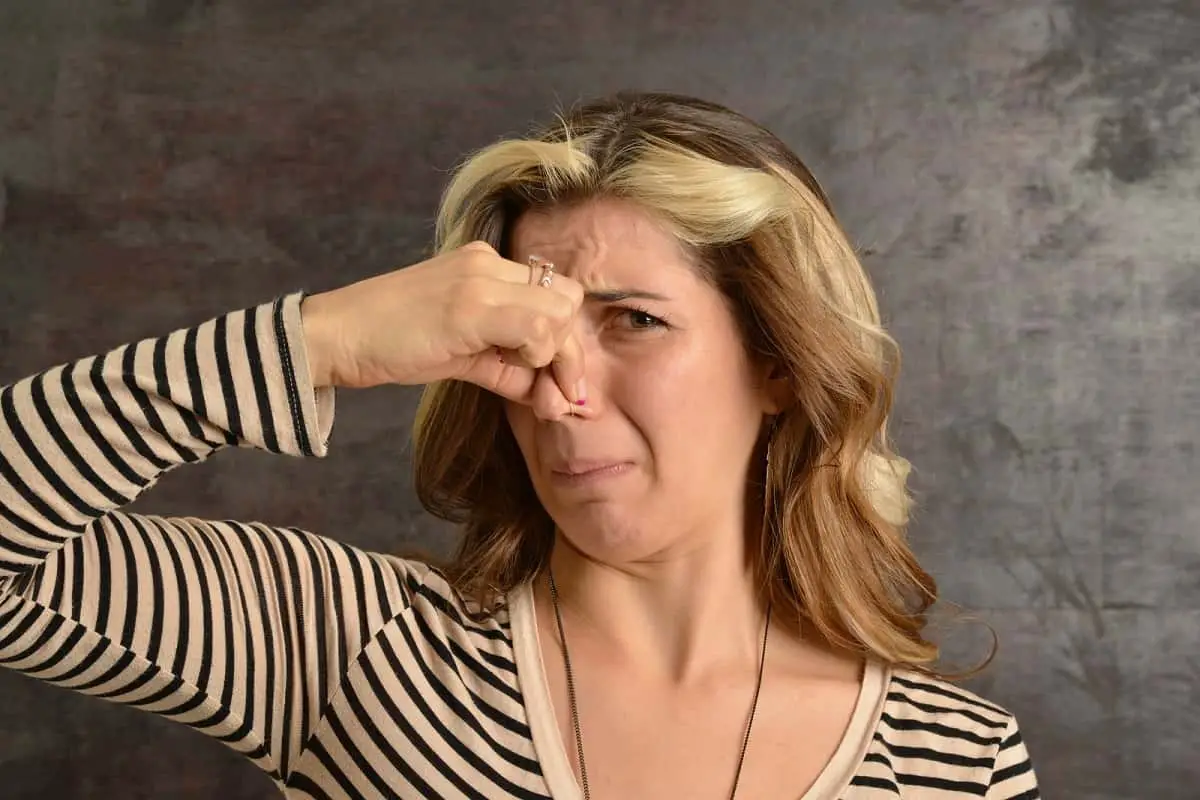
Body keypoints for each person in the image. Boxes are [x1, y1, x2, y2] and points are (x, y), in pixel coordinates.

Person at [0, 91, 1039, 799]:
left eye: (632, 319)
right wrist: (327, 338)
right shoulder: (350, 646)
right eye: (521, 331)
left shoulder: (954, 762)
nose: (562, 389)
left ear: (775, 360)